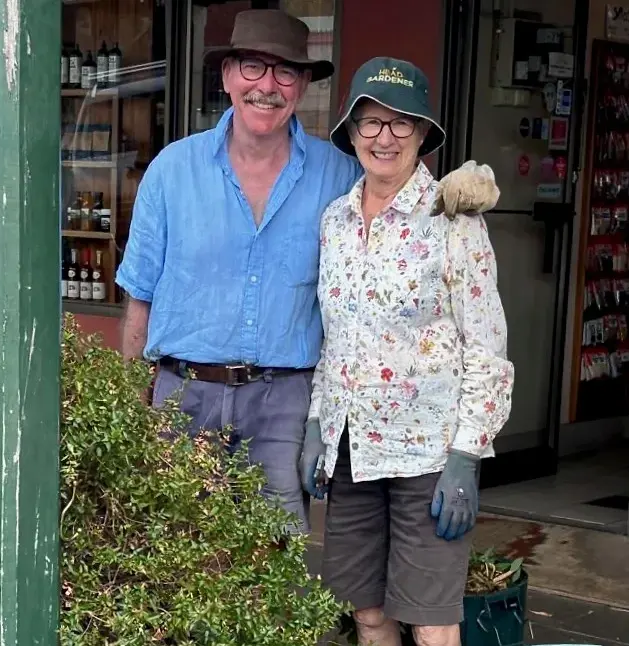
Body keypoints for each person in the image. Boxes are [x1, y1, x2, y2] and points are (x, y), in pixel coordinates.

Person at [114, 8, 500, 535]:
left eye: (286, 72)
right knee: (173, 560)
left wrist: (465, 183)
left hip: (283, 406)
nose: (267, 87)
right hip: (183, 399)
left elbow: (400, 183)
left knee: (275, 566)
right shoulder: (170, 170)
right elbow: (139, 297)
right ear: (227, 75)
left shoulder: (339, 174)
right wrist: (133, 403)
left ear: (301, 87)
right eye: (252, 67)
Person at [300, 57, 513, 646]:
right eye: (370, 122)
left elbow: (487, 348)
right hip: (353, 449)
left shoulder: (453, 219)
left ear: (422, 134)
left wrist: (468, 454)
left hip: (428, 455)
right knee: (367, 612)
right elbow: (334, 335)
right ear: (351, 131)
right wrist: (320, 420)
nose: (384, 137)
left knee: (432, 622)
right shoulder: (335, 222)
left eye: (402, 123)